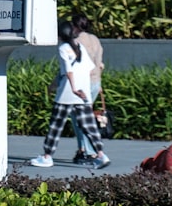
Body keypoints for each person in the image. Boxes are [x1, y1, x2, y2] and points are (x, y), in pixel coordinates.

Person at [30, 20, 111, 169]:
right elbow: (89, 68)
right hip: (84, 92)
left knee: (56, 125)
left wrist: (74, 89)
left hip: (67, 93)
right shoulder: (79, 47)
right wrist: (83, 89)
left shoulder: (63, 48)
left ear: (60, 35)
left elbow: (68, 71)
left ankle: (47, 157)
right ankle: (101, 155)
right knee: (89, 126)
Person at [70, 12, 104, 164]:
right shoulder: (94, 39)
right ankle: (82, 149)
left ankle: (89, 152)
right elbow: (100, 64)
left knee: (81, 119)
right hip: (95, 83)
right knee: (80, 117)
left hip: (81, 84)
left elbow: (70, 67)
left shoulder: (74, 41)